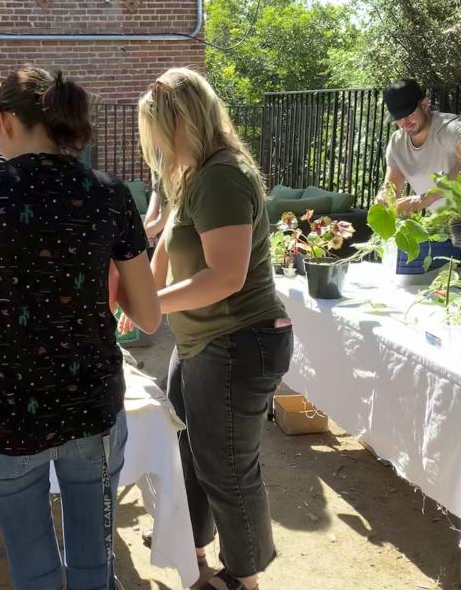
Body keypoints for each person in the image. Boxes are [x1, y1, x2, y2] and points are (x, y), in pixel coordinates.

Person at [0, 66, 160, 590]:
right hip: (90, 400)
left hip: (3, 403)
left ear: (9, 120)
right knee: (93, 564)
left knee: (32, 567)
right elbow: (149, 317)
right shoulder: (109, 193)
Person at [132, 68, 292, 590]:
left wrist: (150, 302)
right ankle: (192, 547)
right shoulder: (194, 173)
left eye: (156, 128)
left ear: (182, 122)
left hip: (237, 341)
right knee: (189, 453)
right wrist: (138, 292)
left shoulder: (223, 175)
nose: (152, 143)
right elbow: (166, 248)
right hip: (201, 340)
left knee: (226, 468)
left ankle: (244, 578)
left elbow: (225, 276)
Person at [380, 78, 461, 277]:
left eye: (409, 114)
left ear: (425, 104)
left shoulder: (448, 126)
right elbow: (391, 187)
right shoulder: (397, 143)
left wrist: (425, 198)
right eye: (398, 118)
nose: (404, 123)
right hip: (442, 229)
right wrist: (383, 202)